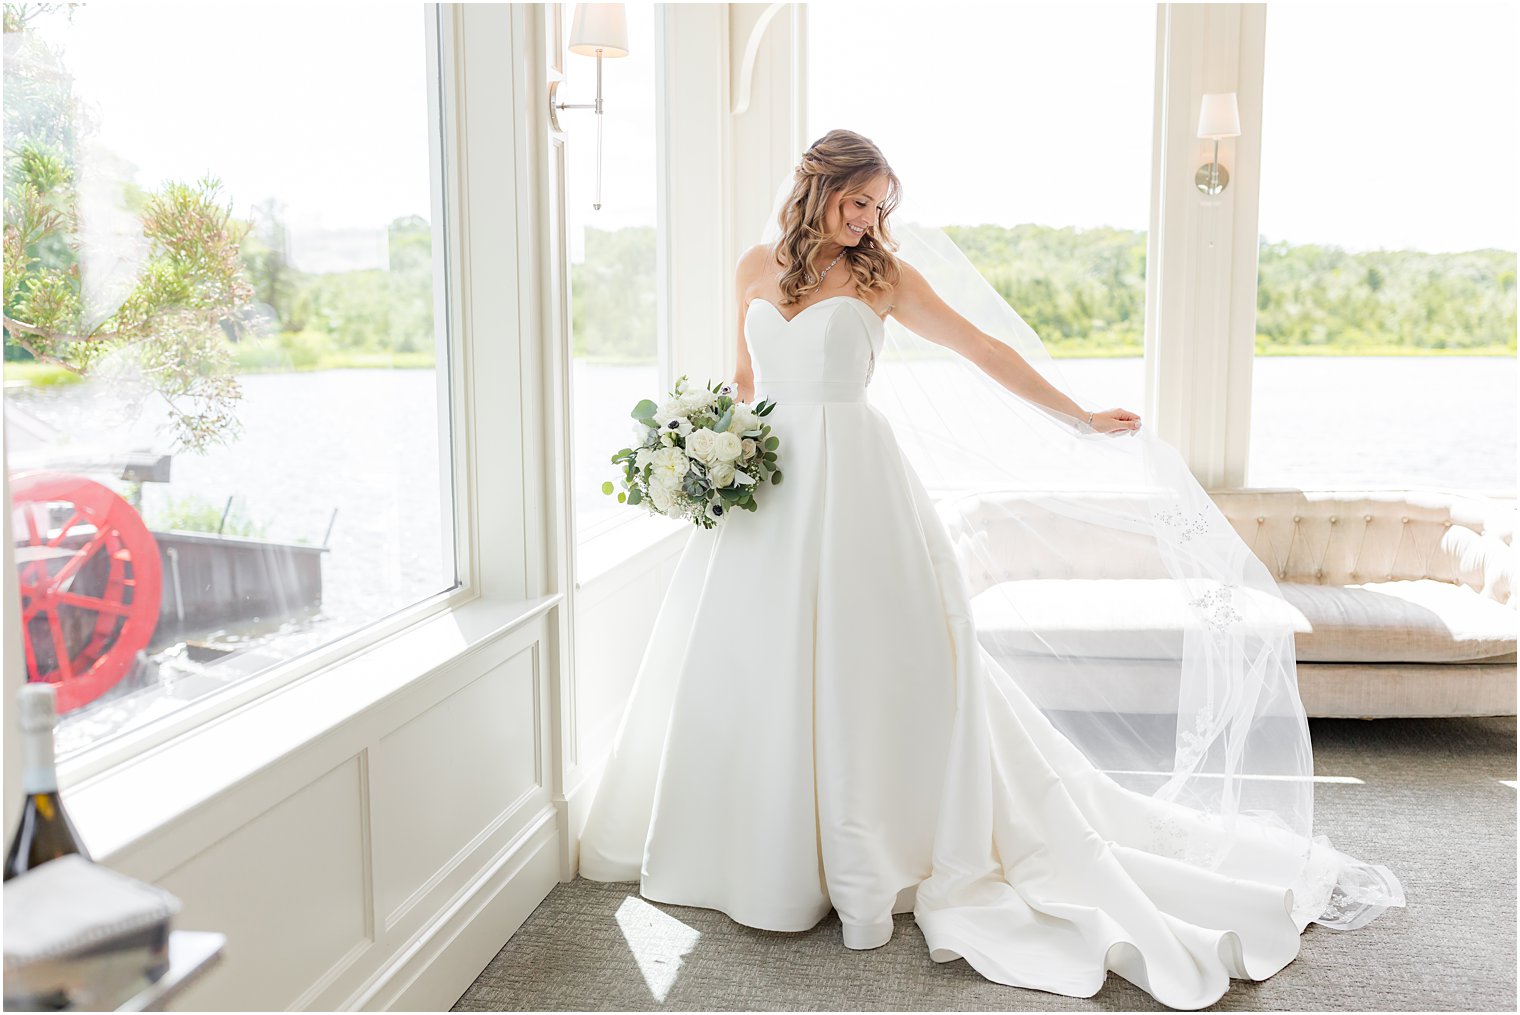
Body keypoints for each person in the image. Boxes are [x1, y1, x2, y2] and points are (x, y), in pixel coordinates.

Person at [578, 129, 1404, 1010]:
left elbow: (983, 350)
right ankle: (755, 846)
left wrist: (1081, 416)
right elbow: (745, 379)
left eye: (880, 208)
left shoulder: (880, 277)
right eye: (858, 202)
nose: (868, 222)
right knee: (754, 662)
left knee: (868, 668)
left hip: (856, 490)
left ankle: (866, 848)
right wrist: (704, 449)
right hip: (767, 494)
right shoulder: (753, 265)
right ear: (816, 187)